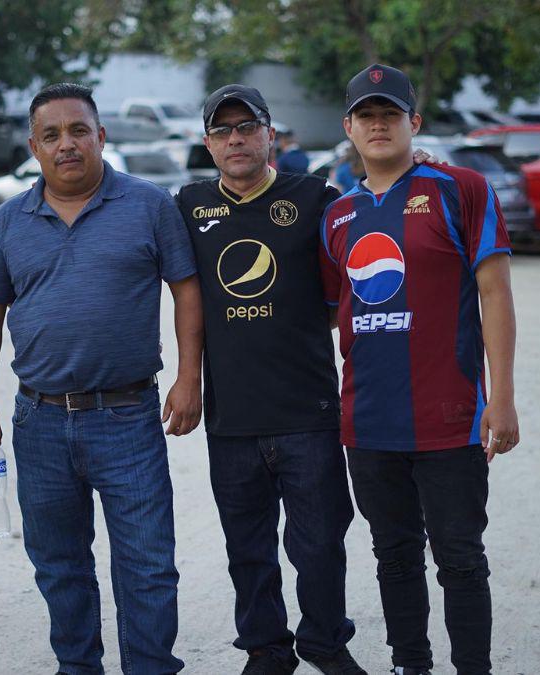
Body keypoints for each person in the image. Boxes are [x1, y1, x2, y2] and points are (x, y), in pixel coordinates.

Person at [0, 83, 204, 675]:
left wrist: (188, 377)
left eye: (78, 131)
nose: (66, 144)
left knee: (147, 565)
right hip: (38, 421)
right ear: (34, 146)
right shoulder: (10, 220)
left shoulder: (149, 205)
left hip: (128, 417)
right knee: (60, 565)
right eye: (51, 135)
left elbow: (187, 289)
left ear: (102, 135)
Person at [319, 64, 520, 675]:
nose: (378, 125)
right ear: (349, 127)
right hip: (370, 419)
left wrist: (502, 398)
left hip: (450, 415)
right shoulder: (336, 216)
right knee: (394, 556)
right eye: (366, 116)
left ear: (415, 122)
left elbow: (496, 296)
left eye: (391, 114)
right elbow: (333, 312)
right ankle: (411, 664)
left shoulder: (461, 189)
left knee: (460, 557)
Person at [174, 84, 364, 675]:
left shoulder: (317, 198)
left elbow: (378, 211)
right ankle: (266, 648)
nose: (235, 139)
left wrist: (422, 164)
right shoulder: (186, 206)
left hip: (308, 410)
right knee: (248, 549)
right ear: (208, 143)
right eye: (222, 130)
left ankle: (326, 642)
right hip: (232, 415)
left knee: (320, 546)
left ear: (269, 134)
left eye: (246, 127)